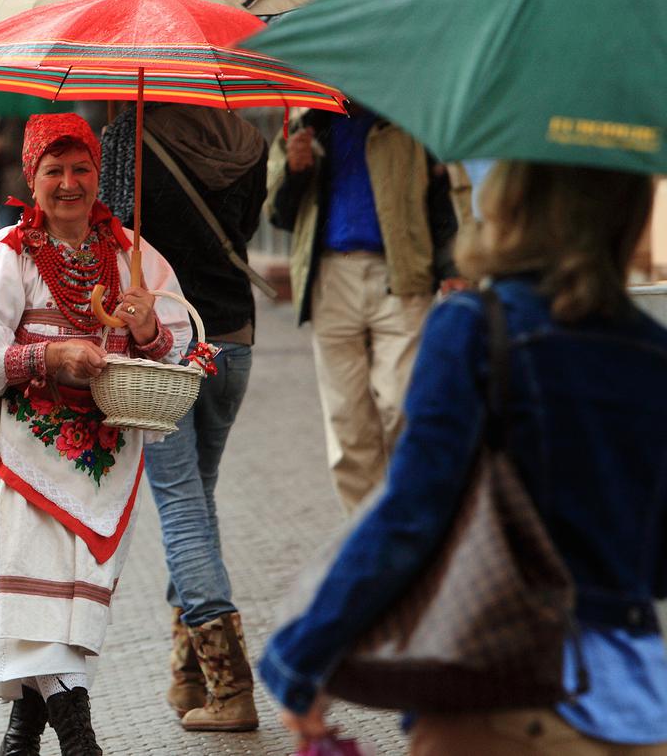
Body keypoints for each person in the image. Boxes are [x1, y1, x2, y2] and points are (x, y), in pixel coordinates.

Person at [261, 162, 667, 755]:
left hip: (506, 701)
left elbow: (411, 514)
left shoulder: (477, 327)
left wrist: (303, 659)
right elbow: (655, 565)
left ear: (511, 199)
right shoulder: (653, 352)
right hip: (639, 710)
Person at [0, 113, 192, 756]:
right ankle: (81, 742)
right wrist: (50, 359)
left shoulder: (133, 253)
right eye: (55, 170)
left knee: (76, 603)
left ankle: (22, 735)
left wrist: (142, 331)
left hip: (105, 456)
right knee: (37, 599)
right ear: (32, 176)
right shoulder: (7, 253)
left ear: (98, 177)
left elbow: (181, 344)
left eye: (81, 169)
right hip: (23, 454)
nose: (70, 183)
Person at [99, 103, 268, 732]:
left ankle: (231, 687)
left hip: (164, 346)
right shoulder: (249, 139)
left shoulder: (128, 138)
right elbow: (248, 225)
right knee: (198, 500)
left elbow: (110, 235)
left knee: (179, 505)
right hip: (234, 336)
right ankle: (188, 673)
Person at [266, 104, 459, 510]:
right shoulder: (307, 125)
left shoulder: (411, 121)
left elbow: (441, 201)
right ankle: (366, 532)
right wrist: (296, 173)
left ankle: (414, 519)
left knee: (403, 407)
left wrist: (452, 269)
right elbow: (280, 215)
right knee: (347, 423)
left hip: (402, 275)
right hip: (331, 278)